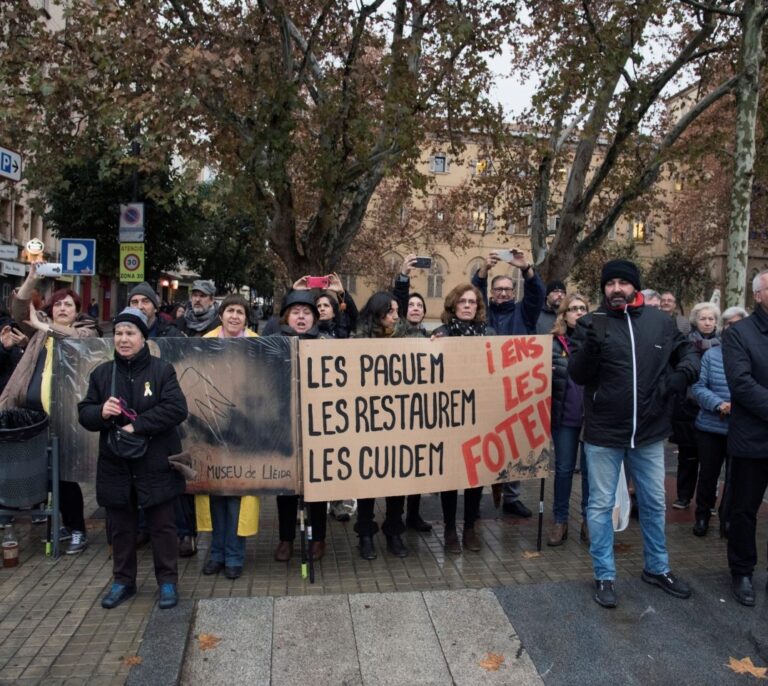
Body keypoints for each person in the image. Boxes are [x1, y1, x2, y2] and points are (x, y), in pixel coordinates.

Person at [569, 259, 699, 609]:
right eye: (609, 283)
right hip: (603, 434)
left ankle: (657, 568)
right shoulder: (589, 323)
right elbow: (578, 375)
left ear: (635, 287)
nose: (615, 289)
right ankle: (604, 575)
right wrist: (592, 347)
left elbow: (688, 351)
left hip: (650, 432)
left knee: (655, 503)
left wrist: (682, 375)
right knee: (599, 506)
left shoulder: (660, 322)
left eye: (622, 283)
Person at [77, 308, 188, 610]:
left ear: (143, 338)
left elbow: (177, 408)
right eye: (120, 334)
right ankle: (122, 581)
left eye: (131, 333)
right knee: (121, 526)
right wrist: (100, 412)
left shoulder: (161, 370)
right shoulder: (102, 374)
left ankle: (167, 582)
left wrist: (136, 425)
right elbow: (84, 413)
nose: (124, 339)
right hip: (116, 463)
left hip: (155, 460)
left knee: (162, 525)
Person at [1, 264, 100, 554]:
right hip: (30, 416)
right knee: (36, 470)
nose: (63, 309)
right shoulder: (40, 331)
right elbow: (20, 312)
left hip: (65, 418)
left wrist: (44, 325)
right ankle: (53, 521)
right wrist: (32, 278)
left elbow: (78, 341)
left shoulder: (86, 331)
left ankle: (77, 528)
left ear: (78, 311)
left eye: (69, 305)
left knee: (65, 475)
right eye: (58, 304)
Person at [472, 249, 545, 518]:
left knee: (513, 445)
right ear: (491, 294)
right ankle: (475, 496)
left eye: (507, 289)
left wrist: (527, 269)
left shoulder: (524, 314)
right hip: (484, 392)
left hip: (515, 391)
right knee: (481, 446)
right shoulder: (482, 315)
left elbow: (537, 293)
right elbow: (472, 294)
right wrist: (483, 270)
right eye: (498, 289)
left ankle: (512, 497)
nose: (503, 293)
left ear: (514, 293)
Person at [196, 294, 260, 579]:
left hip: (245, 430)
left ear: (246, 318)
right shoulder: (203, 342)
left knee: (236, 494)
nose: (235, 316)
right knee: (214, 494)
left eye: (240, 312)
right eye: (230, 311)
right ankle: (216, 553)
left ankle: (234, 556)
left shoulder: (259, 345)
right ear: (220, 314)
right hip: (208, 427)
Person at [433, 283, 496, 554]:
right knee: (451, 477)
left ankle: (470, 527)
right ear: (454, 305)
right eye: (463, 302)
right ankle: (449, 529)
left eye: (473, 302)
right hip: (449, 417)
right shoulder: (441, 334)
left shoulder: (490, 334)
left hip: (479, 415)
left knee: (474, 476)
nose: (468, 305)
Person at [270, 291, 329, 562]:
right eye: (296, 312)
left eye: (307, 312)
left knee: (317, 485)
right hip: (284, 424)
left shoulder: (326, 342)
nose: (301, 317)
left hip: (319, 425)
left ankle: (318, 538)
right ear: (286, 317)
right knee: (286, 487)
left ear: (315, 318)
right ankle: (285, 539)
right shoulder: (273, 344)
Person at [721, 270, 768, 606]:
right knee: (743, 510)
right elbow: (741, 384)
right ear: (758, 295)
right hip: (752, 439)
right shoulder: (739, 334)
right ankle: (742, 571)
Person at [353, 291, 409, 560]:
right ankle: (365, 533)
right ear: (377, 314)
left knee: (397, 483)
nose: (396, 315)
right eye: (391, 311)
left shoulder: (408, 338)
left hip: (399, 422)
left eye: (397, 310)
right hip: (367, 423)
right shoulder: (357, 340)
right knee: (367, 484)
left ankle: (394, 530)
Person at [691, 306, 747, 538]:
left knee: (735, 478)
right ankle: (702, 516)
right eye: (729, 324)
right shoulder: (711, 355)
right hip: (711, 426)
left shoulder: (752, 354)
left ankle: (727, 519)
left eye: (737, 324)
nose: (733, 328)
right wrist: (719, 404)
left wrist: (739, 405)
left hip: (741, 427)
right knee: (708, 475)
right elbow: (697, 387)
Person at [392, 254, 432, 532]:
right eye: (412, 305)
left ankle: (414, 514)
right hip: (397, 410)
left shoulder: (433, 337)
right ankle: (396, 515)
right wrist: (403, 279)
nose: (415, 308)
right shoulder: (398, 332)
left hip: (422, 411)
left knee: (419, 468)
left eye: (420, 305)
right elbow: (400, 302)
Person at [547, 293, 590, 546]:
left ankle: (588, 520)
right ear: (563, 314)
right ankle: (560, 521)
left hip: (592, 419)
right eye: (573, 308)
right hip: (564, 417)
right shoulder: (553, 343)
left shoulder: (597, 340)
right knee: (563, 470)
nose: (578, 312)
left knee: (590, 473)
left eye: (582, 308)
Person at [670, 301, 721, 510]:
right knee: (687, 456)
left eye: (711, 319)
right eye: (703, 318)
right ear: (695, 321)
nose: (707, 323)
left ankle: (707, 501)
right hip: (687, 407)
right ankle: (683, 496)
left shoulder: (723, 345)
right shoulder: (685, 343)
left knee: (710, 460)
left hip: (712, 407)